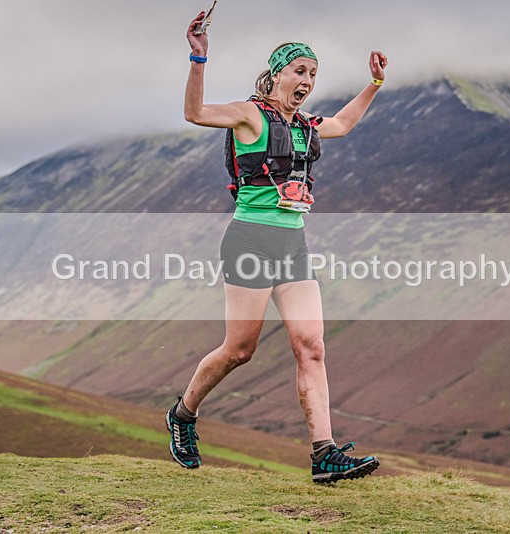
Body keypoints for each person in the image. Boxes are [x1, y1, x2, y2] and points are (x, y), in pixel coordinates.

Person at [166, 9, 388, 484]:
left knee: (311, 346)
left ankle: (324, 454)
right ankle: (183, 414)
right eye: (300, 71)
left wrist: (375, 83)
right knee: (239, 350)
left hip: (293, 244)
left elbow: (344, 124)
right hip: (249, 240)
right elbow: (195, 113)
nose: (307, 80)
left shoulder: (307, 124)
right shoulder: (249, 116)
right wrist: (198, 57)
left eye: (313, 74)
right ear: (276, 75)